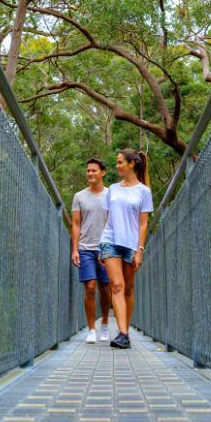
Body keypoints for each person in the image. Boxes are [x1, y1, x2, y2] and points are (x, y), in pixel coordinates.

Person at [99, 148, 153, 349]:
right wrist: (100, 249)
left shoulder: (144, 191)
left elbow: (143, 223)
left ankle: (125, 330)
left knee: (128, 289)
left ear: (132, 164)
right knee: (118, 286)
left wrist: (140, 249)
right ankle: (123, 333)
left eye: (120, 162)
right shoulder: (112, 189)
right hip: (110, 241)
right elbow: (108, 219)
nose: (117, 165)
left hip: (131, 244)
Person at [71, 159, 112, 343]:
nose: (90, 174)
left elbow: (113, 222)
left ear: (102, 172)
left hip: (106, 247)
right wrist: (75, 249)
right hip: (85, 248)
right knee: (90, 287)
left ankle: (104, 323)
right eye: (88, 171)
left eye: (94, 171)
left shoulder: (111, 194)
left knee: (105, 288)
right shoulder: (79, 196)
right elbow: (76, 224)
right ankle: (91, 329)